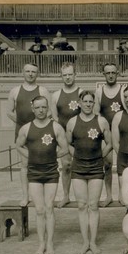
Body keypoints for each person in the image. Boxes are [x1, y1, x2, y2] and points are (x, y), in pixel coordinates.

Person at [15, 96, 68, 254]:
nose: (41, 110)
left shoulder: (56, 127)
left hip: (51, 172)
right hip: (34, 173)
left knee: (49, 208)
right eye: (37, 107)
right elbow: (18, 145)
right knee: (39, 210)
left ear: (48, 108)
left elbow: (65, 148)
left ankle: (50, 243)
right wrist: (30, 156)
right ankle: (41, 244)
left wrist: (52, 157)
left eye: (44, 107)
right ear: (33, 108)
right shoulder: (26, 128)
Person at [66, 91, 112, 254]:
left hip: (95, 168)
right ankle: (85, 242)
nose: (87, 104)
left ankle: (93, 242)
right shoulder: (72, 122)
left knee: (93, 205)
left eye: (90, 101)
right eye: (85, 101)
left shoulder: (101, 121)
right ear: (79, 102)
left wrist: (100, 155)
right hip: (78, 168)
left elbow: (110, 143)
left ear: (94, 103)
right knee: (81, 205)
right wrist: (77, 156)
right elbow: (68, 144)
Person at [6, 63, 51, 206]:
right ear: (23, 72)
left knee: (43, 164)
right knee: (25, 164)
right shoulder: (15, 91)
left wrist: (37, 124)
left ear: (37, 74)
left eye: (33, 71)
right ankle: (25, 196)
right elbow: (9, 111)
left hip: (40, 132)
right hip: (22, 132)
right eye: (28, 71)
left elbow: (49, 112)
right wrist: (25, 126)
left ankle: (42, 197)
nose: (30, 74)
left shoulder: (42, 90)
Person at [51, 62, 82, 208]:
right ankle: (66, 196)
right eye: (65, 75)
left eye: (70, 74)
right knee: (66, 166)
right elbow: (55, 118)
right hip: (63, 137)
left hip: (80, 136)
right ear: (61, 77)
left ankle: (82, 197)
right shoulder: (56, 95)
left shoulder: (81, 93)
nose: (68, 77)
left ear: (75, 75)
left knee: (82, 166)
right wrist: (62, 135)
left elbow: (87, 115)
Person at [94, 62, 123, 207]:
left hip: (121, 132)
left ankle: (123, 195)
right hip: (106, 133)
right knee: (107, 164)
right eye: (108, 73)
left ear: (117, 73)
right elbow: (97, 113)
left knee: (123, 165)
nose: (111, 75)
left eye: (113, 72)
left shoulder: (123, 90)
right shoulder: (99, 91)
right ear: (104, 75)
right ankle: (109, 195)